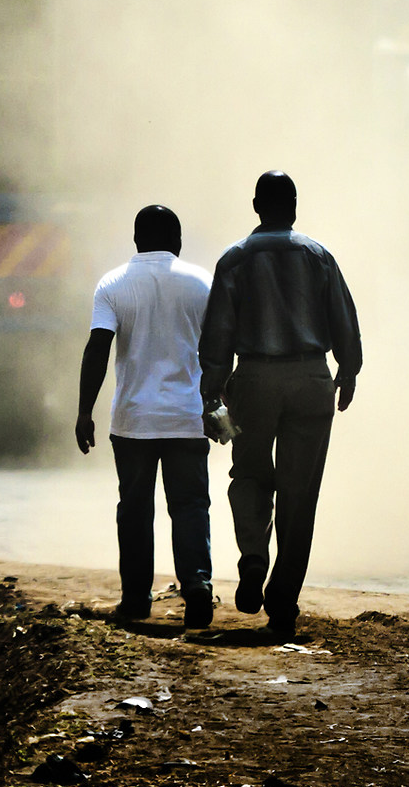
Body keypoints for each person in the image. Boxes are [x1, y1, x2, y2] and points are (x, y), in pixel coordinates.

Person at [199, 170, 363, 640]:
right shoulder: (319, 256)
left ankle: (253, 558)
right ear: (294, 206)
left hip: (253, 380)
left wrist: (211, 393)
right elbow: (344, 320)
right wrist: (348, 371)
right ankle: (283, 603)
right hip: (313, 380)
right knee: (300, 494)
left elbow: (217, 337)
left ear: (256, 206)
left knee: (249, 473)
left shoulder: (234, 260)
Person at [79, 204, 218, 628]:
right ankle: (196, 586)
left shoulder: (113, 284)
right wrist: (221, 403)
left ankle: (136, 599)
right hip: (186, 418)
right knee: (191, 506)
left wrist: (84, 412)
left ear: (137, 240)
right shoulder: (202, 283)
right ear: (177, 240)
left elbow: (98, 349)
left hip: (134, 421)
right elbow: (217, 351)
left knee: (136, 510)